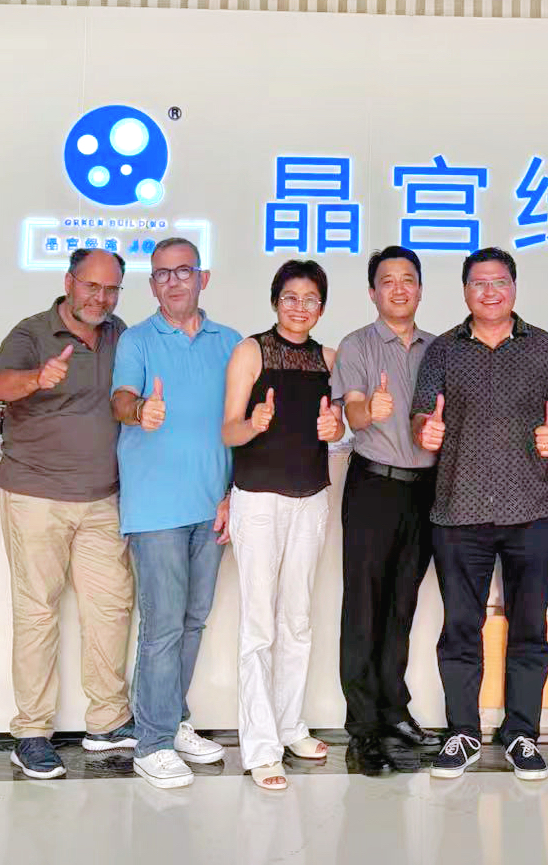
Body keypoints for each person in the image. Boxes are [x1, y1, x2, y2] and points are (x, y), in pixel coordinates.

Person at [411, 247, 548, 783]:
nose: (490, 292)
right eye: (479, 283)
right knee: (461, 627)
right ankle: (462, 732)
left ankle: (522, 734)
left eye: (499, 282)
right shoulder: (442, 350)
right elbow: (422, 413)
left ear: (514, 287)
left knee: (530, 628)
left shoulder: (544, 347)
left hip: (533, 511)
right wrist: (425, 430)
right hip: (459, 512)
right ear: (465, 291)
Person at [0, 248, 134, 779]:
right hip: (36, 495)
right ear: (69, 282)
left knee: (111, 609)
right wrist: (37, 379)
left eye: (111, 289)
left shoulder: (120, 334)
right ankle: (31, 733)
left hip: (102, 498)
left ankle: (107, 722)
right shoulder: (31, 332)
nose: (101, 298)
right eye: (92, 286)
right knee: (37, 612)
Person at [112, 237, 240, 790]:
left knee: (192, 621)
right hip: (156, 507)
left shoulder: (231, 343)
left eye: (183, 271)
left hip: (212, 505)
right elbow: (120, 399)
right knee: (163, 625)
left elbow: (242, 424)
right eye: (162, 274)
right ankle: (153, 742)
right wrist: (141, 409)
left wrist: (233, 494)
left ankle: (173, 719)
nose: (173, 282)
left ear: (202, 278)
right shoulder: (137, 340)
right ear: (152, 285)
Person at [221, 259, 345, 791]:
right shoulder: (251, 351)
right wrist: (253, 423)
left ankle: (290, 725)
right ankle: (260, 745)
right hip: (258, 499)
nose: (300, 307)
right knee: (259, 625)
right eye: (290, 297)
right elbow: (228, 431)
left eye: (310, 299)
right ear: (275, 302)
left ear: (322, 306)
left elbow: (338, 428)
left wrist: (336, 427)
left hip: (310, 498)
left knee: (297, 619)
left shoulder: (331, 359)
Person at [330, 246, 440, 777]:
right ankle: (363, 729)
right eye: (388, 280)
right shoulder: (357, 345)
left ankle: (394, 712)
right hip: (375, 486)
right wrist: (366, 411)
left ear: (420, 288)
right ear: (373, 292)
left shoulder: (440, 349)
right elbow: (350, 409)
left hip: (427, 490)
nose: (399, 288)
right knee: (364, 608)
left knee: (401, 606)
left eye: (408, 279)